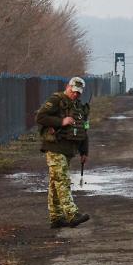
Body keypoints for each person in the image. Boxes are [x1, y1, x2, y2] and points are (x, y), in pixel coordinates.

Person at [36, 77, 91, 229]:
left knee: (55, 183)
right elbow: (40, 117)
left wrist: (84, 151)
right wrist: (61, 122)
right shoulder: (56, 100)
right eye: (73, 92)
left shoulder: (79, 107)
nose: (75, 95)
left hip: (68, 149)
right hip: (54, 147)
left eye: (78, 93)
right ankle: (72, 214)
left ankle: (56, 217)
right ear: (68, 87)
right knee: (62, 180)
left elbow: (84, 129)